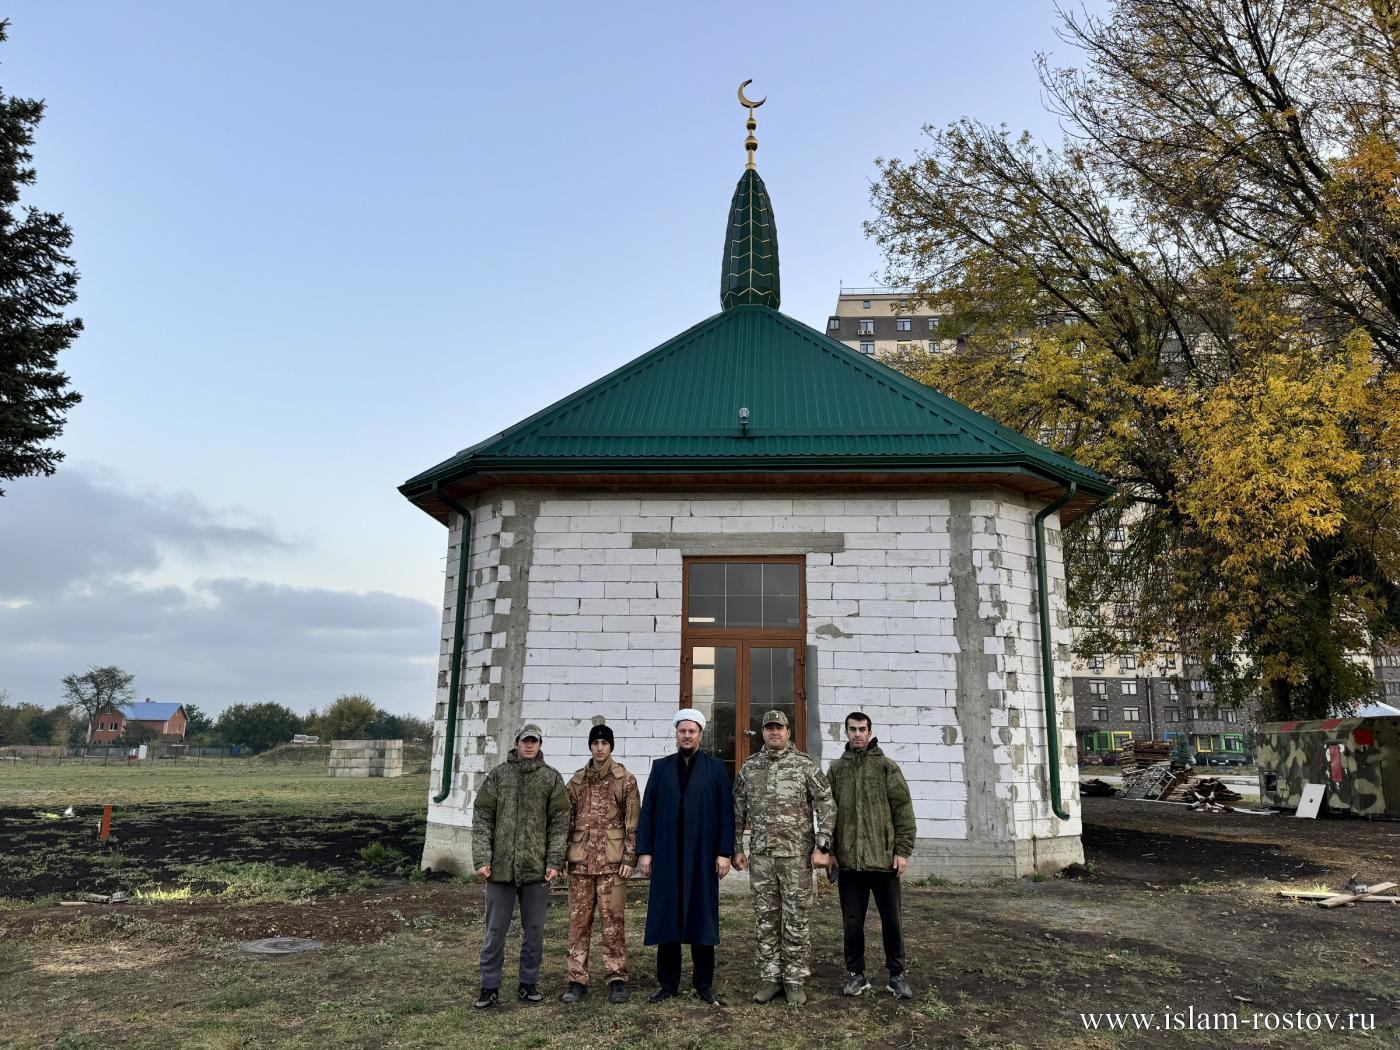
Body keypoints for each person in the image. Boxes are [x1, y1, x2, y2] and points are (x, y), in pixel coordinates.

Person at [732, 710, 836, 1007]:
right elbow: (737, 809)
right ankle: (770, 977)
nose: (774, 732)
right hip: (762, 858)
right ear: (763, 732)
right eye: (769, 728)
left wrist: (823, 845)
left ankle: (794, 979)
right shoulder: (750, 767)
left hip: (796, 858)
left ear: (788, 732)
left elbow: (826, 804)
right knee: (765, 919)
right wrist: (737, 847)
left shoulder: (805, 765)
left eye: (779, 727)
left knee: (796, 919)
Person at [636, 708, 735, 1004]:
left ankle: (703, 983)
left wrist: (724, 852)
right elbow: (648, 810)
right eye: (682, 731)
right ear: (676, 735)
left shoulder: (716, 769)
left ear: (701, 735)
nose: (687, 736)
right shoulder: (661, 768)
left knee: (701, 916)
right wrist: (645, 851)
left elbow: (726, 813)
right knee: (667, 915)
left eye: (692, 731)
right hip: (667, 853)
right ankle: (667, 983)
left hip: (702, 855)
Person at [471, 723, 570, 1009]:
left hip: (536, 871)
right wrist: (482, 857)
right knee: (494, 932)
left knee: (534, 931)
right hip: (500, 870)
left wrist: (554, 861)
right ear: (516, 743)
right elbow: (482, 817)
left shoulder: (551, 778)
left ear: (540, 745)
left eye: (534, 741)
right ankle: (489, 986)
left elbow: (560, 823)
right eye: (525, 741)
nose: (529, 745)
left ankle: (528, 983)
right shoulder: (499, 776)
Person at [826, 711, 916, 999]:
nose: (857, 734)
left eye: (862, 729)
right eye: (852, 729)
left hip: (883, 861)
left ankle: (896, 975)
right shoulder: (836, 770)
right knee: (852, 922)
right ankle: (856, 974)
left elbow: (903, 809)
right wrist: (830, 851)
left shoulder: (887, 767)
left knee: (892, 921)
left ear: (870, 731)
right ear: (846, 732)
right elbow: (828, 814)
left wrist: (902, 851)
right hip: (849, 863)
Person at [562, 723, 640, 1005]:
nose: (599, 748)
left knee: (613, 922)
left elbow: (633, 823)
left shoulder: (625, 780)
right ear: (590, 746)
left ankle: (616, 977)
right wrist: (561, 858)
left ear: (611, 746)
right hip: (581, 863)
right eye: (595, 743)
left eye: (604, 743)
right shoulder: (576, 781)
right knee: (578, 923)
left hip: (612, 863)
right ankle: (576, 979)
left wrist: (629, 858)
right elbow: (565, 822)